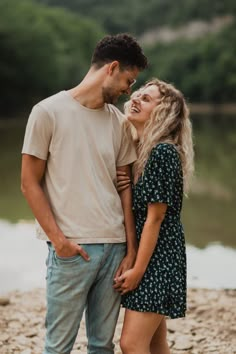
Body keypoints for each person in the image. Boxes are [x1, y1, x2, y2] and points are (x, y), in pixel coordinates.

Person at [21, 33, 148, 354]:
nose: (127, 91)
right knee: (58, 346)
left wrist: (131, 250)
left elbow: (125, 190)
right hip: (73, 250)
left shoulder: (118, 122)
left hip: (115, 249)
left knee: (101, 345)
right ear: (113, 68)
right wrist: (59, 241)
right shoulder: (47, 112)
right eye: (128, 80)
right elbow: (29, 183)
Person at [114, 78, 194, 354]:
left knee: (131, 343)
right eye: (137, 94)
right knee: (155, 344)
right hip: (154, 256)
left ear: (163, 113)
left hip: (158, 259)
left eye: (146, 99)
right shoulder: (142, 151)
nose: (135, 99)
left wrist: (137, 269)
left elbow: (155, 219)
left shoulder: (162, 152)